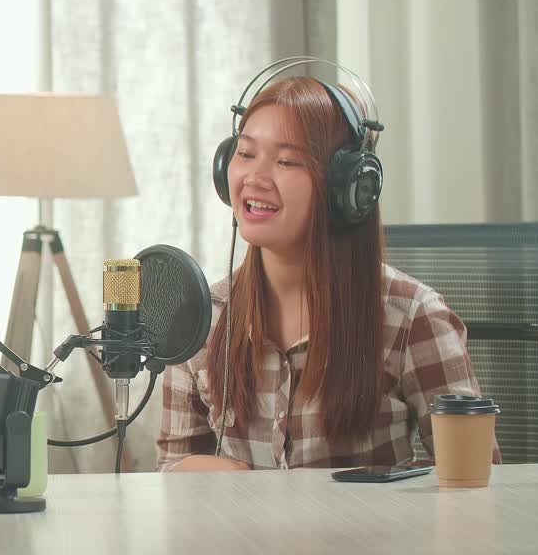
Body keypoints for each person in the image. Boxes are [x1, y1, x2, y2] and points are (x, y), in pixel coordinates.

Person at [157, 69, 501, 472]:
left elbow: (475, 482)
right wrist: (199, 473)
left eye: (286, 161)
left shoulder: (411, 318)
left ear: (348, 187)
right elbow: (170, 466)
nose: (255, 177)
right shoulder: (202, 319)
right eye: (246, 154)